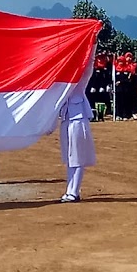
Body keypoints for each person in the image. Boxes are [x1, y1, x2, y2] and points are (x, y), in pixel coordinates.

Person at [59, 74, 97, 203]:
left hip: (78, 118)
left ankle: (74, 191)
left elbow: (88, 66)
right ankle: (70, 190)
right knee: (70, 157)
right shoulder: (61, 79)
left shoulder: (80, 80)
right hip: (66, 118)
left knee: (77, 156)